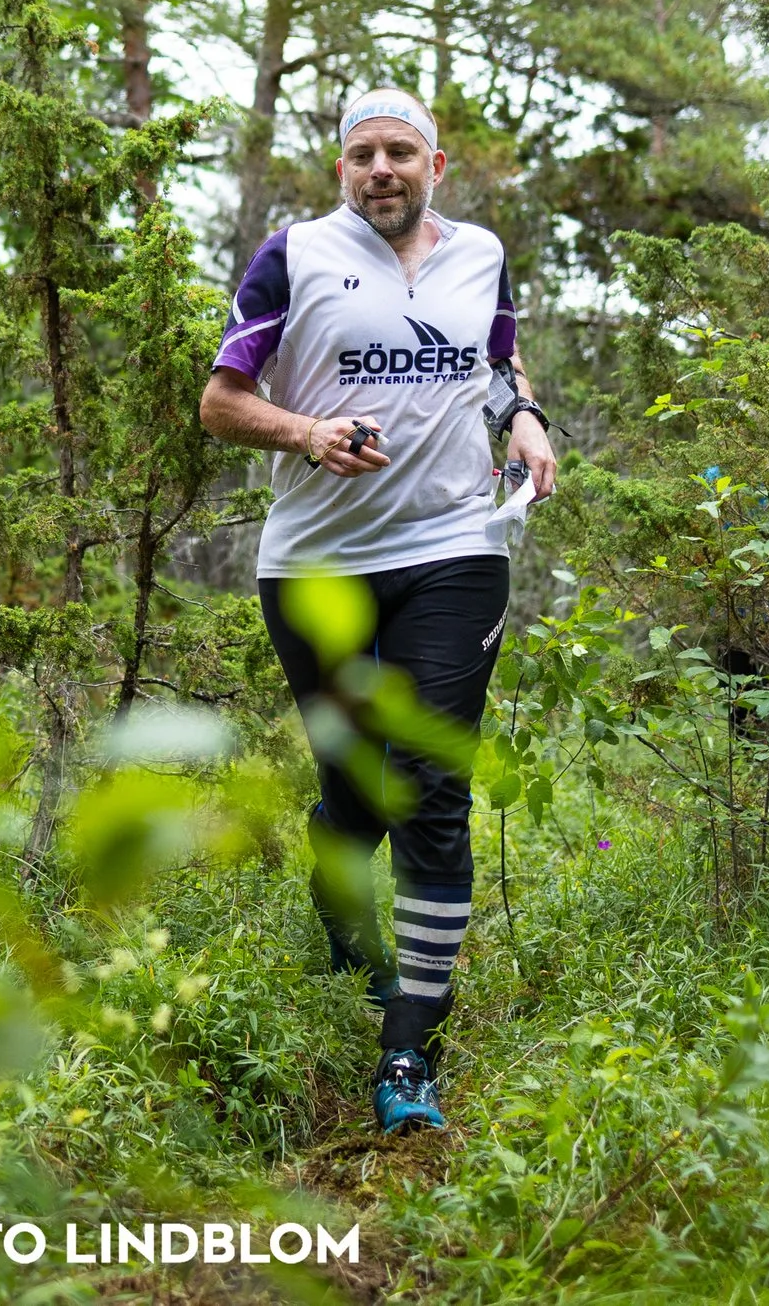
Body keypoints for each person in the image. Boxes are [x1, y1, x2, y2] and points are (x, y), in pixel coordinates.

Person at [199, 84, 558, 1135]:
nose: (382, 169)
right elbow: (219, 402)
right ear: (341, 169)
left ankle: (408, 1051)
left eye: (401, 151)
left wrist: (524, 417)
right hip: (317, 564)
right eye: (363, 154)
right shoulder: (294, 254)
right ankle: (346, 927)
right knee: (354, 796)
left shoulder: (479, 252)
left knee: (431, 790)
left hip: (455, 548)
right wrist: (308, 433)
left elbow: (493, 361)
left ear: (435, 165)